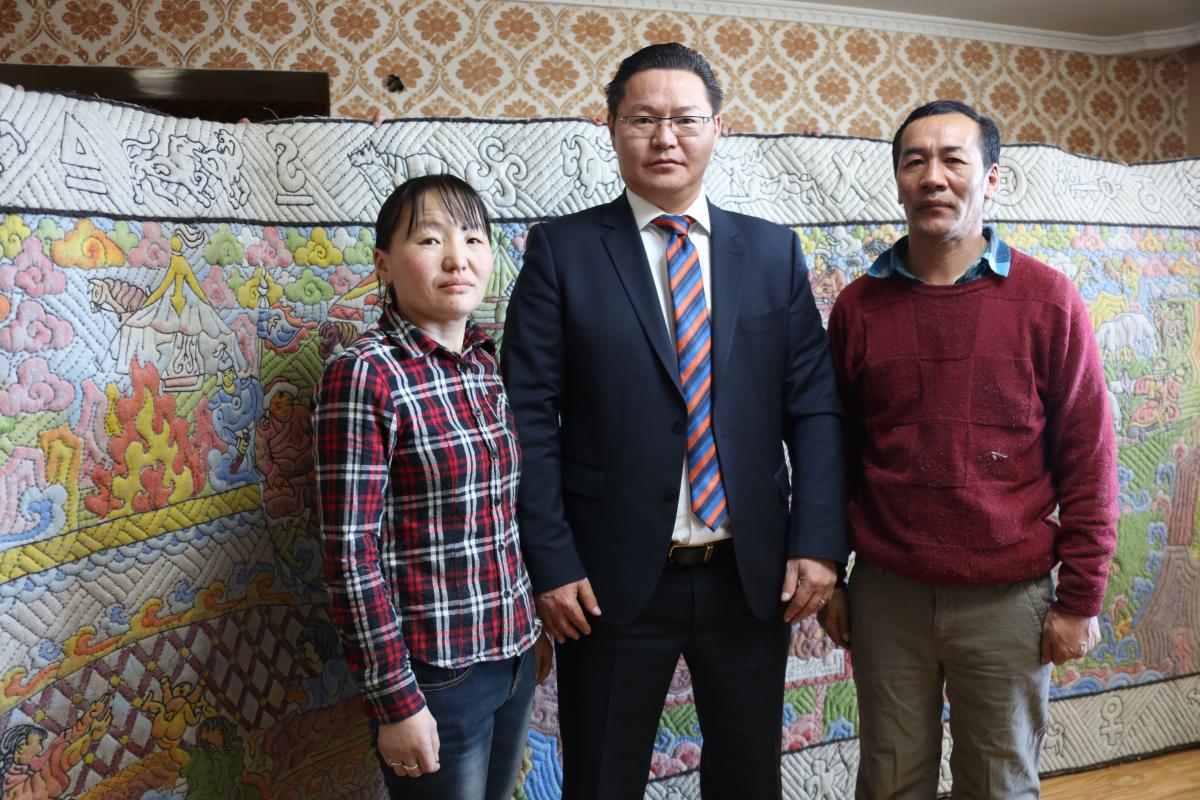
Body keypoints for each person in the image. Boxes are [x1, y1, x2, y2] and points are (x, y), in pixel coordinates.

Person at [502, 43, 846, 798]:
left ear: (717, 128)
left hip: (749, 574)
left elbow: (814, 408)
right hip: (607, 580)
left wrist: (819, 543)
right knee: (601, 781)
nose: (665, 137)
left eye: (685, 119)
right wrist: (550, 562)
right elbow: (525, 418)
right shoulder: (562, 251)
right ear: (611, 127)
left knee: (749, 782)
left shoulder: (772, 252)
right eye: (643, 119)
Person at [820, 99, 1118, 798]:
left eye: (954, 159)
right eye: (914, 161)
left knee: (999, 785)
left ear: (991, 179)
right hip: (887, 595)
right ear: (899, 182)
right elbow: (834, 454)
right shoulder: (858, 308)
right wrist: (831, 574)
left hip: (1008, 600)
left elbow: (1090, 456)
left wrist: (1081, 598)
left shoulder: (1048, 300)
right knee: (890, 783)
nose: (933, 176)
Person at [314, 174, 551, 799]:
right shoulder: (364, 374)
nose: (457, 259)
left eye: (473, 239)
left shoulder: (487, 364)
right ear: (383, 265)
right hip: (436, 676)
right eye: (429, 239)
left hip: (513, 656)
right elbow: (350, 553)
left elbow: (505, 516)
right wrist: (396, 700)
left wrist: (530, 632)